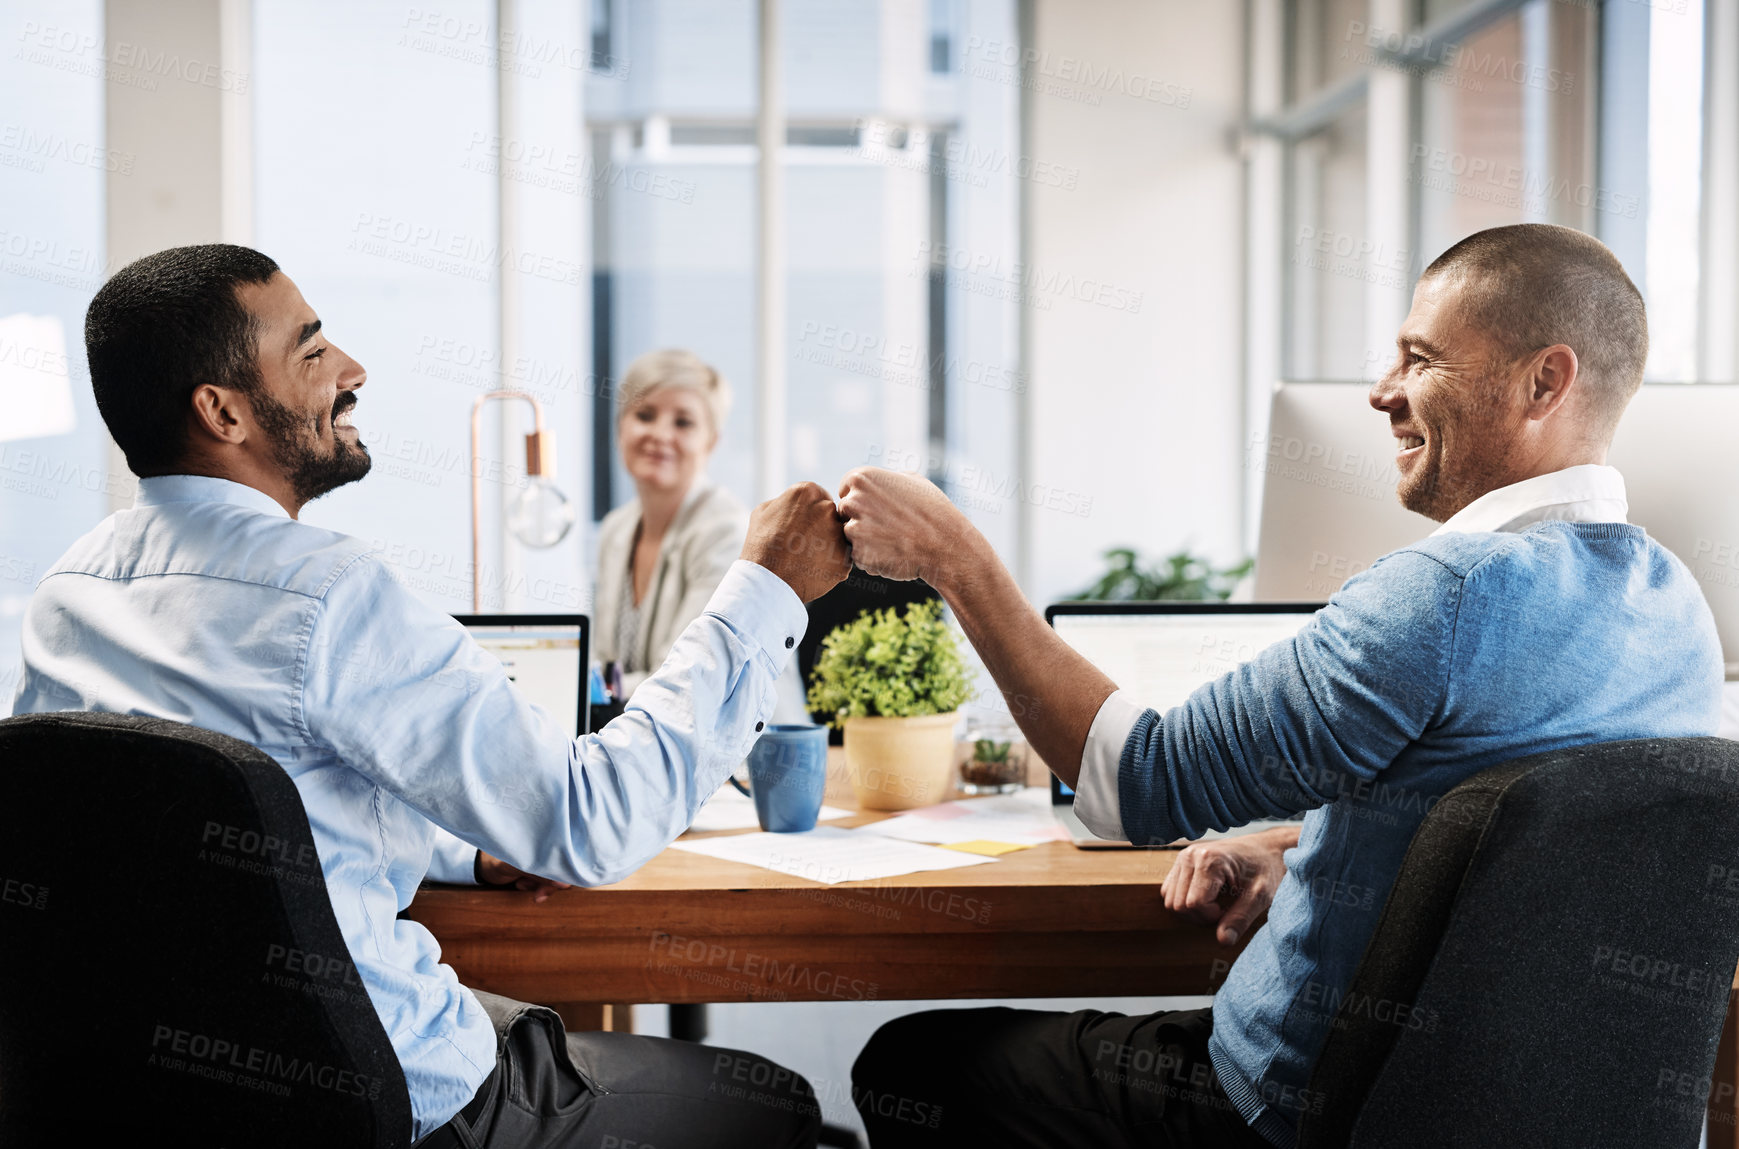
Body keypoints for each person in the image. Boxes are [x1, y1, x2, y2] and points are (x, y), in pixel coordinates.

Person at [838, 223, 1724, 1148]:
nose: (1382, 393)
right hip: (1518, 1115)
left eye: (1419, 359)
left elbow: (1135, 781)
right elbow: (1529, 827)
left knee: (913, 1066)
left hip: (1297, 1113)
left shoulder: (1443, 595)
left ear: (1543, 381)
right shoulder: (1677, 611)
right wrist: (1316, 855)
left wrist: (958, 561)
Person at [11, 244, 850, 1148]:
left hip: (148, 1097)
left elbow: (218, 811)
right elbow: (589, 822)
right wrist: (765, 586)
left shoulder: (69, 592)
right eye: (311, 351)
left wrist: (469, 848)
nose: (352, 369)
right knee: (771, 1103)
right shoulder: (325, 595)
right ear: (222, 411)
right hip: (388, 1106)